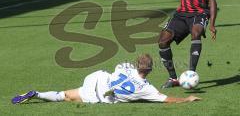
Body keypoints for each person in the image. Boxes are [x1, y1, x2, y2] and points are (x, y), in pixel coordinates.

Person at [11, 54, 201, 104]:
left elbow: (120, 68)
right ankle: (37, 94)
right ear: (150, 70)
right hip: (99, 95)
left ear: (136, 64)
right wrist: (186, 99)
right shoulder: (147, 88)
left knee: (63, 94)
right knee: (66, 97)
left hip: (96, 77)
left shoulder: (125, 67)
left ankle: (37, 93)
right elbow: (166, 100)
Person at [158, 0, 217, 88]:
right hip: (181, 13)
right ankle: (173, 79)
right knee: (162, 41)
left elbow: (212, 1)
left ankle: (191, 74)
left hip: (198, 13)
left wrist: (212, 24)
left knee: (196, 32)